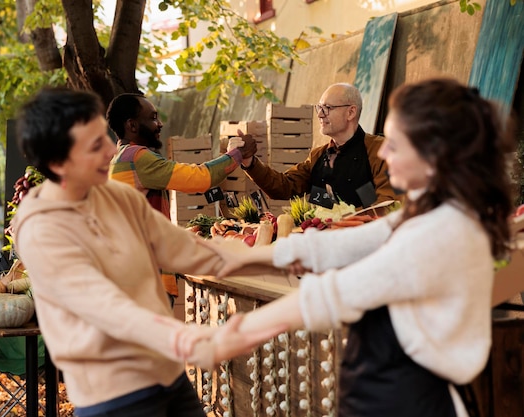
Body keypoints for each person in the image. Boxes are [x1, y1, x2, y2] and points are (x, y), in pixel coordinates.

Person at [185, 78, 515, 416]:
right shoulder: (433, 213)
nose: (385, 152)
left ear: (431, 152)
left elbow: (335, 294)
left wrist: (233, 335)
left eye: (396, 144)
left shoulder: (440, 232)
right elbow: (341, 244)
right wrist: (249, 254)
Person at [11, 87, 282, 417]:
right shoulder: (42, 229)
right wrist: (187, 340)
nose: (111, 149)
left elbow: (191, 251)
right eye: (96, 144)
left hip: (168, 376)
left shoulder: (115, 196)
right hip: (115, 397)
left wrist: (290, 257)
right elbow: (108, 308)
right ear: (58, 162)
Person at [107, 93, 257, 304]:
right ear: (132, 125)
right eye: (152, 118)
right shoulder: (137, 157)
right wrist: (238, 154)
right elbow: (200, 178)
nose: (159, 124)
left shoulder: (118, 160)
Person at [242, 83, 400, 209]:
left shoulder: (379, 151)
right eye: (319, 108)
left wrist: (339, 221)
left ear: (351, 112)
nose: (320, 114)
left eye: (327, 108)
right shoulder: (318, 156)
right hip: (322, 241)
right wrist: (250, 163)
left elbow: (387, 205)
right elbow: (285, 186)